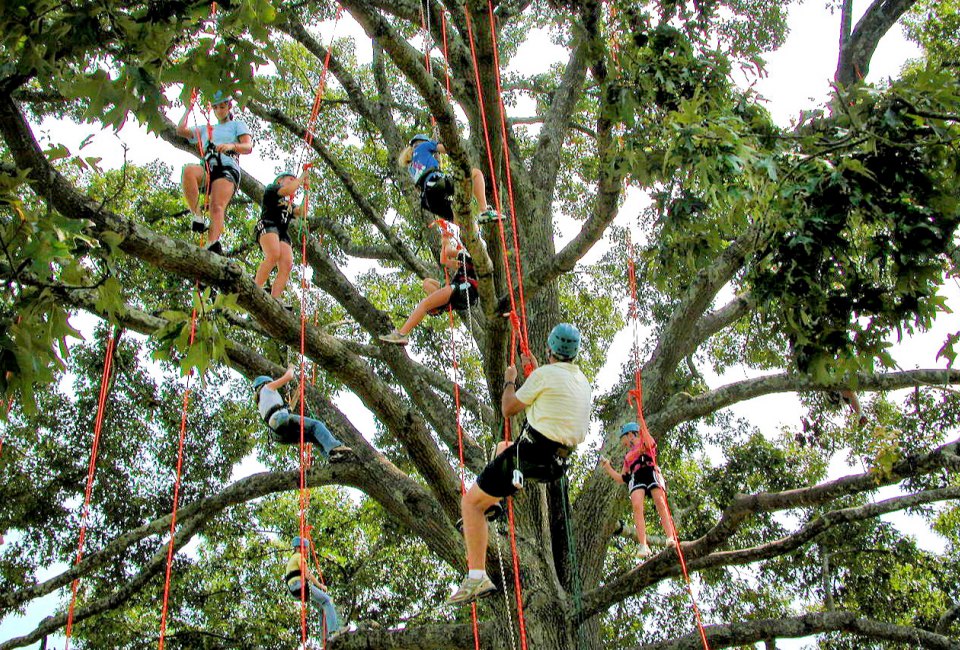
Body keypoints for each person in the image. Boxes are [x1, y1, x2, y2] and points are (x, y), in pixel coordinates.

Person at [447, 323, 592, 605]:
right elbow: (552, 396)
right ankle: (493, 504)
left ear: (549, 348)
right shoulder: (581, 381)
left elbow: (509, 408)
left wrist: (511, 379)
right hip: (555, 465)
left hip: (530, 456)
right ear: (574, 354)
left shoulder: (544, 376)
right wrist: (536, 372)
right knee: (502, 447)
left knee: (469, 504)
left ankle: (476, 577)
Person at [176, 89, 253, 255]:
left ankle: (212, 244)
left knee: (216, 206)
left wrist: (232, 146)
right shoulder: (206, 129)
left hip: (227, 167)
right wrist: (189, 108)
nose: (219, 110)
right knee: (188, 171)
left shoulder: (237, 125)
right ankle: (197, 216)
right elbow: (180, 130)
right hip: (207, 168)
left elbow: (248, 147)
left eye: (223, 106)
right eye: (216, 107)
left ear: (229, 106)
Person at [379, 221, 478, 345]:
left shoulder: (467, 254)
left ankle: (401, 334)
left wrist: (446, 238)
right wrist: (445, 239)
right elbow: (444, 260)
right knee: (427, 282)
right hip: (458, 291)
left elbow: (448, 251)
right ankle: (439, 303)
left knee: (424, 304)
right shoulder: (464, 260)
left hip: (465, 289)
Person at [600, 422, 677, 560]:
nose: (622, 442)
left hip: (650, 470)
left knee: (660, 502)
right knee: (637, 506)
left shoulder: (644, 441)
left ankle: (670, 536)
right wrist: (608, 467)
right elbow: (622, 478)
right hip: (637, 475)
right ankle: (643, 544)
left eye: (623, 437)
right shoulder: (628, 456)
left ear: (630, 434)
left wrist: (641, 423)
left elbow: (651, 443)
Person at [252, 367, 351, 461]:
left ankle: (331, 456)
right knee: (316, 425)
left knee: (312, 435)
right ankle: (335, 447)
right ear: (266, 382)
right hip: (279, 419)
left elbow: (289, 410)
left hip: (276, 432)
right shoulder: (267, 387)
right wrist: (291, 368)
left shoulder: (262, 401)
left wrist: (297, 395)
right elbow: (289, 376)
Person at [399, 134, 500, 225]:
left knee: (463, 221)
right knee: (476, 174)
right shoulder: (424, 145)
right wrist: (439, 142)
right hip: (436, 184)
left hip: (428, 201)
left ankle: (472, 237)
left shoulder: (411, 166)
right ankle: (484, 210)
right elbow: (449, 150)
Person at [254, 169, 310, 301]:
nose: (293, 181)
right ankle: (256, 286)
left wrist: (306, 191)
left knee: (287, 264)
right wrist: (302, 177)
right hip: (268, 225)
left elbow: (303, 212)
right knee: (273, 254)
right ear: (280, 180)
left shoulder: (288, 204)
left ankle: (275, 297)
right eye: (290, 179)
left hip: (282, 232)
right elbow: (289, 190)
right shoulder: (272, 189)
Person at [285, 536, 342, 639]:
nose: (307, 551)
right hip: (299, 585)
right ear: (300, 547)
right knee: (327, 600)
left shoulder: (291, 559)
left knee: (321, 607)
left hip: (293, 591)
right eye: (306, 548)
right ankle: (334, 631)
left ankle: (325, 638)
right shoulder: (299, 556)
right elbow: (307, 575)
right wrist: (320, 585)